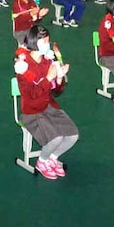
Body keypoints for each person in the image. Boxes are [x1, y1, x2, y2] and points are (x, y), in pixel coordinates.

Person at [14, 25, 78, 179]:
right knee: (55, 138)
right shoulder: (23, 67)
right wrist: (49, 78)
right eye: (45, 42)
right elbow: (32, 95)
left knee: (72, 135)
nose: (48, 45)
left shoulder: (48, 62)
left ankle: (52, 158)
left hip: (49, 106)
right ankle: (42, 161)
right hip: (32, 111)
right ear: (35, 42)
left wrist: (60, 77)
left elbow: (57, 91)